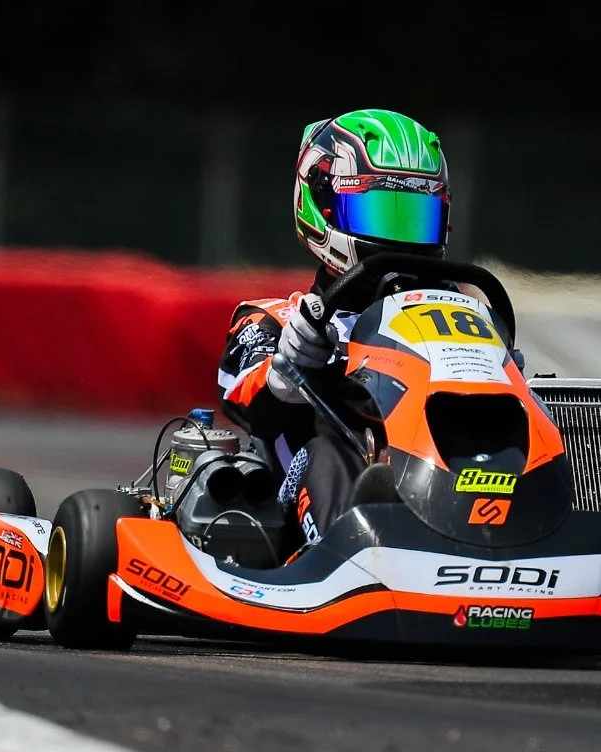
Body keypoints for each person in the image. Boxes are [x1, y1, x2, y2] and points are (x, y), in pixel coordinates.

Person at [218, 108, 513, 549]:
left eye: (416, 218)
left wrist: (500, 372)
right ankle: (354, 558)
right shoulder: (274, 320)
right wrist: (286, 373)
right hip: (312, 496)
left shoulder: (465, 315)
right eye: (381, 215)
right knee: (327, 456)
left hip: (444, 481)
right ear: (321, 207)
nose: (401, 239)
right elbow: (243, 401)